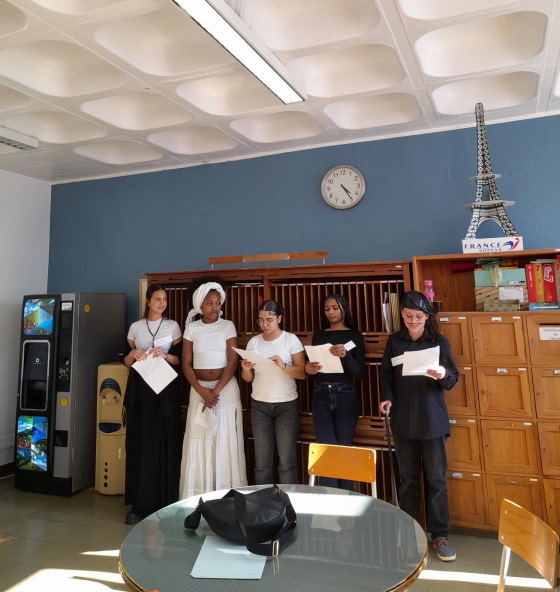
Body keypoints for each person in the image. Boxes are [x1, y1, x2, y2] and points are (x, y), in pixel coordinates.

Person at [379, 290, 459, 562]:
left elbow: (453, 377)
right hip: (403, 419)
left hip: (432, 419)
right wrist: (386, 398)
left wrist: (442, 373)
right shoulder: (395, 341)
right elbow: (386, 374)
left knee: (436, 479)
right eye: (408, 316)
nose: (413, 321)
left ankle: (440, 535)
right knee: (408, 479)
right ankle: (410, 530)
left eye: (419, 316)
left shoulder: (438, 341)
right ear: (402, 315)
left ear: (427, 317)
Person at [179, 282, 247, 499]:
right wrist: (201, 391)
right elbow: (186, 363)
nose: (214, 308)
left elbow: (233, 361)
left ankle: (226, 496)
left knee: (223, 440)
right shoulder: (192, 328)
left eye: (217, 303)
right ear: (200, 304)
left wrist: (214, 391)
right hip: (198, 390)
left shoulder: (228, 325)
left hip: (224, 391)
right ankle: (200, 496)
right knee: (200, 438)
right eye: (209, 303)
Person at [123, 284, 183, 525]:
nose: (162, 303)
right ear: (147, 301)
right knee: (140, 442)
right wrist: (133, 354)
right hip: (140, 391)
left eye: (165, 299)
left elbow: (179, 359)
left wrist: (165, 355)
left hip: (164, 389)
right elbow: (126, 361)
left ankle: (164, 501)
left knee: (164, 440)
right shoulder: (135, 327)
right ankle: (139, 503)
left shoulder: (173, 326)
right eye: (157, 299)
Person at [241, 300, 306, 484]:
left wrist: (283, 366)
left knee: (287, 462)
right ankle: (264, 499)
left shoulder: (290, 339)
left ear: (279, 319)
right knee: (262, 463)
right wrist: (245, 369)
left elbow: (302, 373)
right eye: (260, 320)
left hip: (286, 405)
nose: (264, 324)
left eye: (269, 320)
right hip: (259, 405)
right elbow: (248, 379)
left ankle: (288, 499)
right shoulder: (254, 342)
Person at [305, 293, 365, 490]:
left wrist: (346, 356)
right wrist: (309, 368)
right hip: (320, 393)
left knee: (344, 449)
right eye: (327, 309)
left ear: (344, 309)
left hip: (345, 394)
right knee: (325, 450)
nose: (330, 312)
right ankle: (328, 497)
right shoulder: (319, 335)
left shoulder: (354, 335)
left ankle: (348, 497)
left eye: (334, 308)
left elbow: (360, 373)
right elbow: (313, 369)